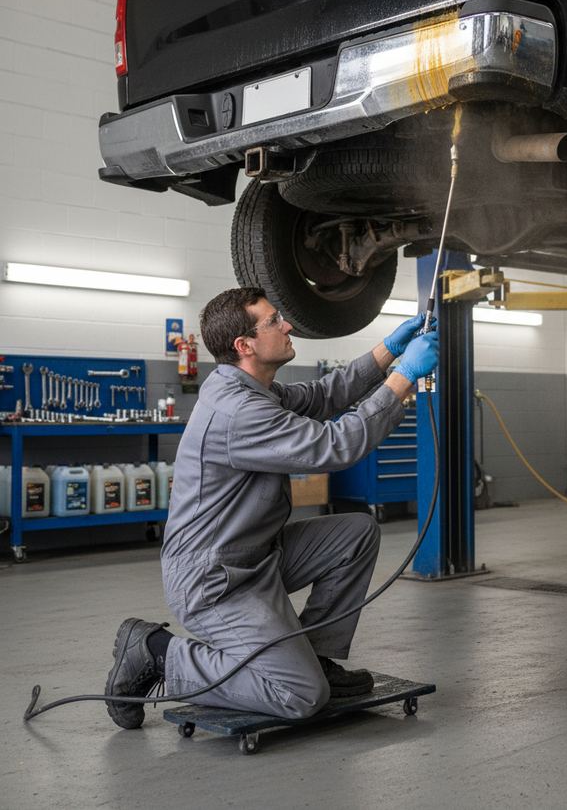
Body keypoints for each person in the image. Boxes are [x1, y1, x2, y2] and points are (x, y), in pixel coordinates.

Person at [104, 286, 439, 729]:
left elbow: (323, 397)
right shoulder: (239, 412)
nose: (287, 325)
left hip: (256, 557)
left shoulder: (254, 388)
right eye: (273, 321)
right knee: (300, 695)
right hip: (214, 581)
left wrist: (388, 350)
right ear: (244, 346)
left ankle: (316, 657)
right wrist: (403, 377)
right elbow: (334, 447)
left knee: (355, 534)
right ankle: (158, 653)